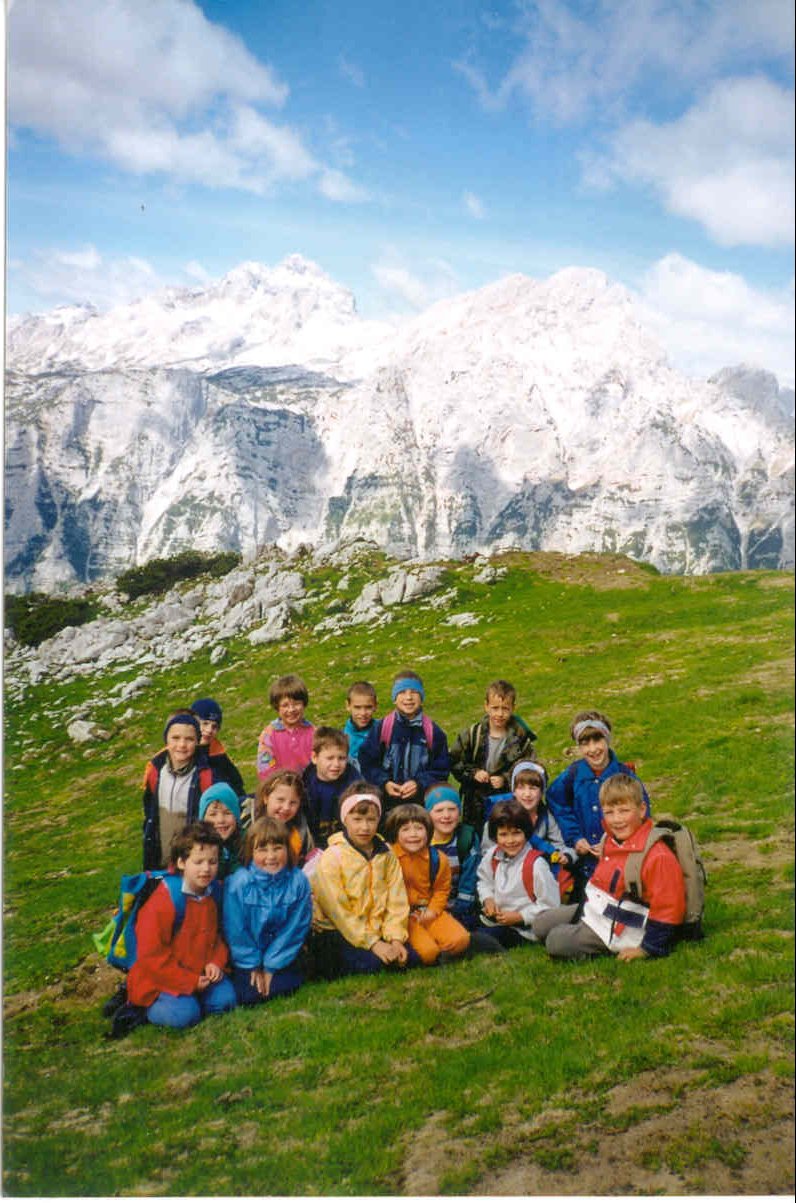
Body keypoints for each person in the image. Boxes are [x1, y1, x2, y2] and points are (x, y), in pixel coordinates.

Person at [533, 775, 686, 960]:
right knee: (539, 924)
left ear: (642, 810)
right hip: (597, 908)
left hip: (622, 926)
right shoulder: (610, 838)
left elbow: (668, 909)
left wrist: (647, 949)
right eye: (609, 812)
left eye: (624, 811)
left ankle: (589, 936)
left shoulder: (658, 856)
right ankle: (581, 924)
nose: (616, 819)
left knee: (555, 941)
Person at [126, 822, 236, 1028]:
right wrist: (189, 981)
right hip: (162, 978)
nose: (206, 869)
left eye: (212, 862)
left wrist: (216, 962)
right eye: (198, 862)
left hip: (200, 971)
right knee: (185, 1016)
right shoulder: (165, 900)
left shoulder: (214, 892)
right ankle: (149, 1007)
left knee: (226, 1001)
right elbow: (151, 957)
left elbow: (218, 937)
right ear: (181, 862)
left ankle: (192, 999)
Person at [310, 782, 419, 977]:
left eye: (371, 819)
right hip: (340, 931)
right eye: (357, 819)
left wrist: (395, 939)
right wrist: (374, 944)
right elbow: (338, 911)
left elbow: (397, 899)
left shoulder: (386, 854)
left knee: (411, 957)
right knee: (373, 964)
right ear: (345, 819)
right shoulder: (332, 857)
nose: (365, 827)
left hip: (377, 928)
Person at [546, 710, 648, 897]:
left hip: (620, 865)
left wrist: (614, 844)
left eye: (597, 740)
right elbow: (556, 802)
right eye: (585, 743)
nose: (593, 749)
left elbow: (642, 817)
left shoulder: (625, 776)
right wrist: (575, 837)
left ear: (607, 739)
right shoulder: (573, 775)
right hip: (584, 867)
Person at [222, 816, 313, 1005]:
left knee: (280, 986)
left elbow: (295, 928)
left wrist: (271, 966)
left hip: (283, 953)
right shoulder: (239, 883)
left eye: (277, 848)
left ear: (287, 849)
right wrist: (253, 965)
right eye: (262, 849)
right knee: (250, 995)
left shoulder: (298, 882)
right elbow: (236, 930)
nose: (271, 856)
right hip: (247, 955)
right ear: (251, 852)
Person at [385, 804, 470, 965]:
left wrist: (433, 910)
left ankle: (440, 949)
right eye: (405, 829)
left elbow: (442, 889)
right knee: (428, 952)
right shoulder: (389, 857)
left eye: (419, 828)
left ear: (428, 831)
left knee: (461, 940)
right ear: (395, 833)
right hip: (401, 915)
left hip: (427, 910)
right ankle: (428, 951)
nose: (413, 834)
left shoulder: (438, 858)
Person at [358, 670, 450, 810]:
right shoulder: (382, 728)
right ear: (394, 698)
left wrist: (419, 784)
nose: (408, 697)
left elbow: (441, 769)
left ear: (422, 697)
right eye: (402, 692)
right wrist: (384, 783)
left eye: (414, 692)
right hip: (387, 804)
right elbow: (367, 762)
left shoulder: (433, 732)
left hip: (420, 804)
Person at [450, 679, 537, 829]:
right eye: (495, 708)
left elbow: (528, 769)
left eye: (505, 709)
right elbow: (455, 761)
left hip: (506, 801)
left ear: (513, 708)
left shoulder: (521, 740)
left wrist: (505, 779)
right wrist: (473, 773)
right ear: (486, 706)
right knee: (476, 836)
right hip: (474, 804)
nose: (500, 714)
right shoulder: (472, 734)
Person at [476, 799, 559, 948]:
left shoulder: (536, 865)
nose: (510, 840)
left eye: (516, 833)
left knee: (483, 939)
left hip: (524, 928)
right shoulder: (492, 855)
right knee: (466, 923)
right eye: (503, 834)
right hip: (498, 919)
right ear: (495, 836)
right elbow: (484, 881)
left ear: (526, 833)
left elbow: (551, 906)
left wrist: (520, 916)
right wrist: (488, 899)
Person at [142, 711, 214, 870]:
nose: (182, 745)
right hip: (159, 858)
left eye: (189, 739)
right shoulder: (155, 771)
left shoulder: (204, 775)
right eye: (175, 738)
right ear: (166, 739)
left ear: (197, 741)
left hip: (191, 861)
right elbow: (149, 813)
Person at [425, 784, 482, 930]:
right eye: (439, 810)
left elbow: (469, 882)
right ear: (428, 814)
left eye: (452, 809)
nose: (446, 815)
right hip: (426, 907)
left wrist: (459, 911)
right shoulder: (420, 840)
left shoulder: (466, 839)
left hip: (459, 908)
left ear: (460, 812)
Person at [242, 770, 318, 873]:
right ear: (266, 798)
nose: (286, 807)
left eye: (293, 803)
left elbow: (308, 861)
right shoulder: (248, 825)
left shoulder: (300, 831)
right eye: (280, 800)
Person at [302, 727, 360, 847]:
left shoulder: (354, 782)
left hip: (347, 842)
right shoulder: (305, 783)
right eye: (330, 758)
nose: (336, 764)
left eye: (342, 758)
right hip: (315, 843)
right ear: (314, 758)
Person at [256, 674, 314, 781]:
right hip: (281, 786)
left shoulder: (314, 732)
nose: (291, 710)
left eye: (296, 704)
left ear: (304, 704)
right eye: (285, 705)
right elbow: (265, 768)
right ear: (277, 707)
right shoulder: (269, 735)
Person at [190, 697, 246, 796]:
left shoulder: (219, 756)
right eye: (205, 723)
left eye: (214, 726)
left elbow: (237, 787)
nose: (209, 730)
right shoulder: (177, 753)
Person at [198, 782, 243, 881]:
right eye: (213, 814)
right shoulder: (196, 847)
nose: (220, 820)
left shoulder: (248, 843)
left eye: (227, 813)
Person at [343, 680, 379, 768]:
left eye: (368, 707)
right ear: (348, 706)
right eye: (357, 707)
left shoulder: (383, 731)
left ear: (375, 706)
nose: (363, 713)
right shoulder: (341, 737)